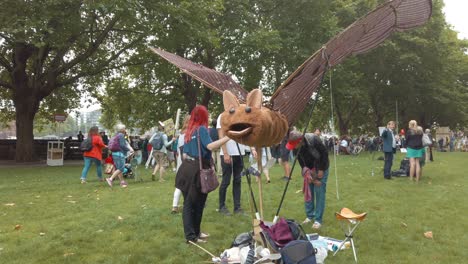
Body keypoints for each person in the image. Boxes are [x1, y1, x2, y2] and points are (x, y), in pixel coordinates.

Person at [175, 105, 230, 243]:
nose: (210, 117)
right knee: (192, 204)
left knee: (195, 203)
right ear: (203, 116)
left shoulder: (190, 131)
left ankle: (196, 232)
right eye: (208, 115)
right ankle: (191, 237)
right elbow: (211, 146)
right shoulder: (202, 130)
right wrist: (228, 137)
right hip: (197, 170)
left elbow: (185, 152)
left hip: (186, 168)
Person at [286, 129, 329, 229]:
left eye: (294, 145)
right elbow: (301, 161)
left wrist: (321, 170)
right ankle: (310, 216)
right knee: (308, 192)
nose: (293, 148)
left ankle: (318, 220)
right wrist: (307, 174)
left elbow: (324, 154)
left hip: (321, 166)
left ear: (300, 141)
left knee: (319, 192)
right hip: (309, 169)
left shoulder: (314, 139)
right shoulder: (296, 147)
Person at [216, 113, 254, 215]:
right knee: (226, 181)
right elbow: (221, 136)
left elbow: (245, 135)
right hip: (228, 154)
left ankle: (237, 208)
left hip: (239, 153)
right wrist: (225, 153)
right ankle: (222, 206)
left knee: (237, 180)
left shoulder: (240, 115)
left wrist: (252, 148)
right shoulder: (222, 116)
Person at [171, 115, 190, 214]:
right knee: (187, 185)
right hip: (186, 164)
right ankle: (185, 205)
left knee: (180, 185)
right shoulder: (188, 135)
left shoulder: (181, 135)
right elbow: (184, 152)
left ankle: (176, 205)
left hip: (181, 164)